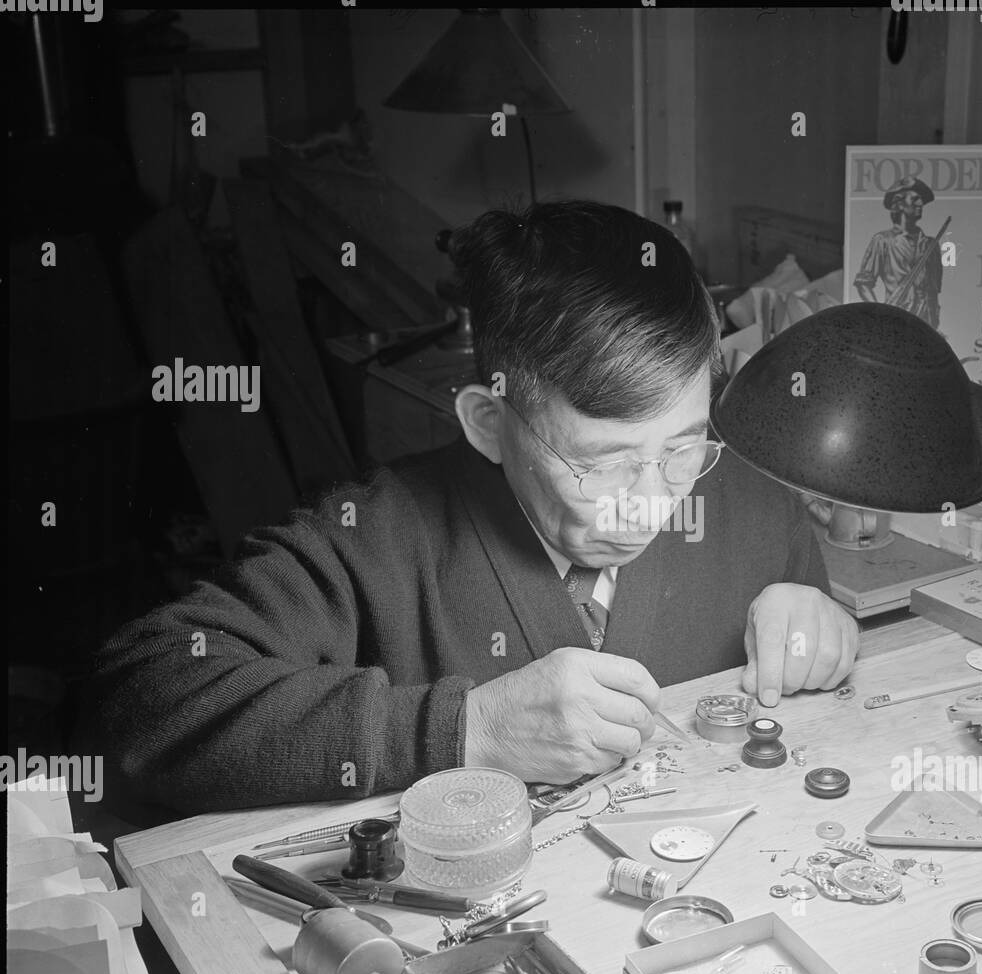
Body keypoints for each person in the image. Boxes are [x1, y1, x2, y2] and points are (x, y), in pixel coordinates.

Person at [73, 200, 860, 816]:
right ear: (491, 423)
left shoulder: (758, 512)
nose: (650, 506)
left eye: (683, 448)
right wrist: (464, 731)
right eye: (598, 463)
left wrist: (821, 633)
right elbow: (139, 700)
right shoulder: (380, 534)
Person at [853, 175, 942, 329]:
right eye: (914, 199)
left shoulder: (931, 244)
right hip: (897, 324)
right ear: (899, 203)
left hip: (928, 326)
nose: (920, 203)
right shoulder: (882, 240)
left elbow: (934, 290)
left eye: (921, 200)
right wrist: (881, 316)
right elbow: (863, 284)